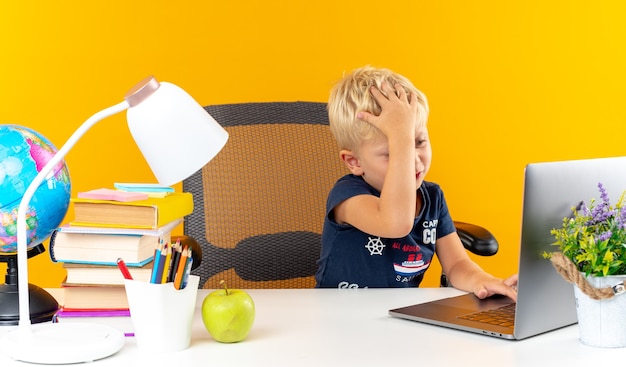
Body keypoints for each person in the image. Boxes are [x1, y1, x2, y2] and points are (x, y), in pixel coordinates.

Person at [315, 66, 517, 300]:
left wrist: (484, 281)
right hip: (340, 316)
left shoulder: (432, 198)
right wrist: (401, 134)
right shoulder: (348, 196)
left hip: (396, 317)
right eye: (394, 151)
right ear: (354, 161)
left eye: (418, 142)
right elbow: (396, 222)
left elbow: (457, 265)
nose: (412, 158)